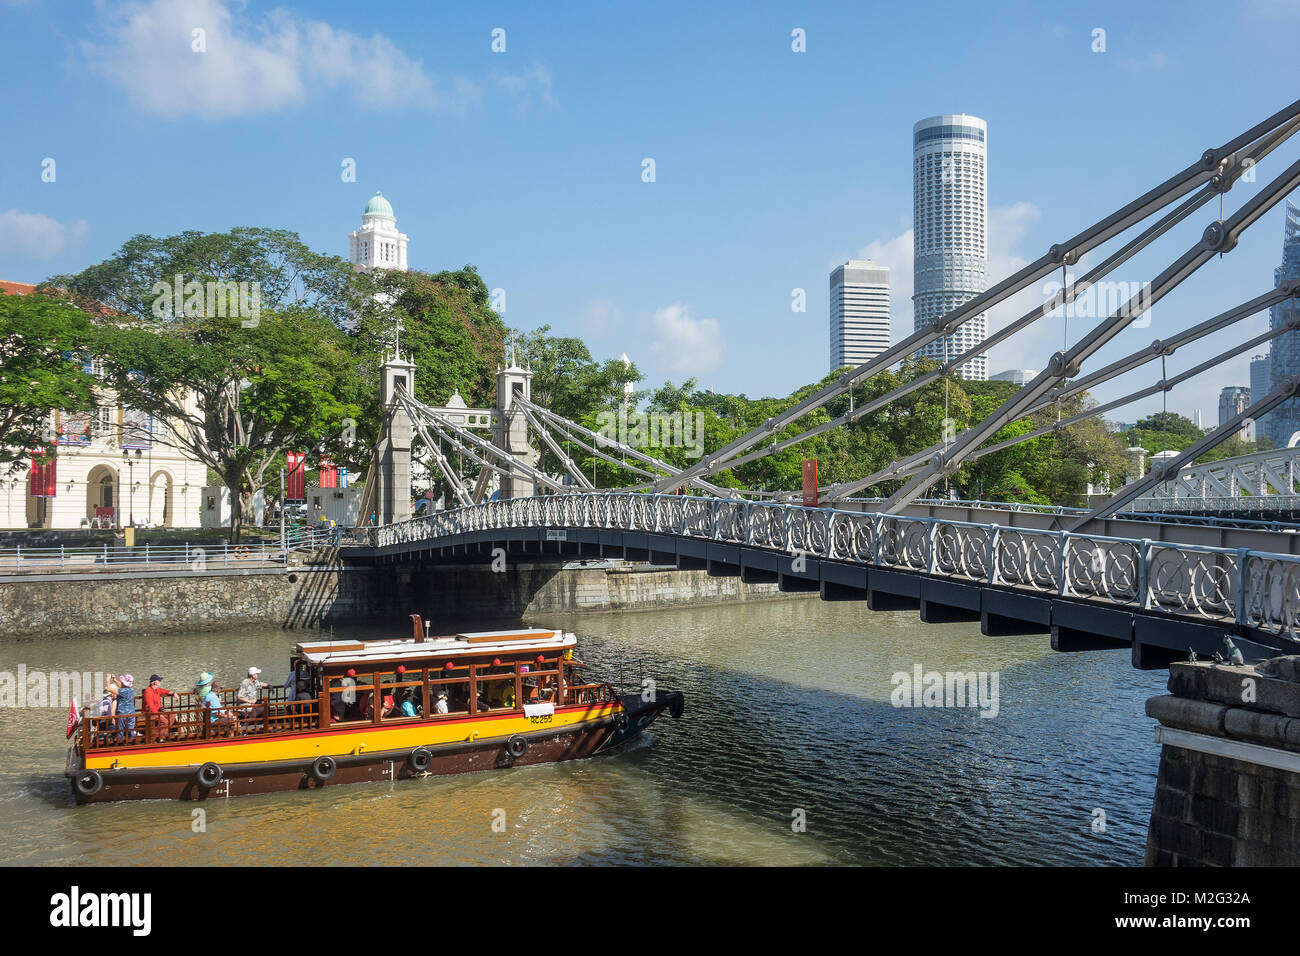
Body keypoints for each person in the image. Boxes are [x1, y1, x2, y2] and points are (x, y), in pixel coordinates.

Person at [142, 675, 178, 740]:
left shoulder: (157, 689)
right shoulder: (148, 691)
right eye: (159, 680)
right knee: (165, 721)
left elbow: (165, 691)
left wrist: (174, 693)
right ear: (155, 682)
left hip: (157, 712)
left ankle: (160, 734)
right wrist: (160, 715)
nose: (160, 682)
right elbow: (150, 706)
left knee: (172, 715)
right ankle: (159, 736)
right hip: (150, 714)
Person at [237, 666, 268, 731]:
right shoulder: (245, 683)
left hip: (252, 704)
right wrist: (250, 701)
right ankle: (247, 725)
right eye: (256, 674)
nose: (257, 675)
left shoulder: (255, 682)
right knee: (261, 708)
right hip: (244, 705)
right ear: (252, 675)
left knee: (264, 707)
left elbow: (261, 684)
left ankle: (253, 724)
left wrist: (269, 685)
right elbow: (239, 697)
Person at [115, 674, 137, 741]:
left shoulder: (122, 691)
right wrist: (114, 679)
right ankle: (133, 741)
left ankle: (120, 741)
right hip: (131, 712)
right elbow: (121, 686)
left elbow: (109, 689)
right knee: (131, 729)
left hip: (122, 713)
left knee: (120, 730)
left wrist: (107, 680)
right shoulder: (131, 689)